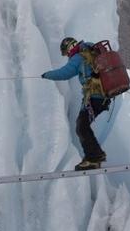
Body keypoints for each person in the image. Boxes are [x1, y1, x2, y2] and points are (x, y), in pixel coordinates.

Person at [41, 37, 109, 171]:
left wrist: (46, 75)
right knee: (82, 125)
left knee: (81, 126)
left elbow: (64, 73)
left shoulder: (78, 57)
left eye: (66, 53)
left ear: (69, 47)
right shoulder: (91, 51)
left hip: (95, 97)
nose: (67, 56)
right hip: (102, 97)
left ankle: (94, 157)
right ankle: (94, 156)